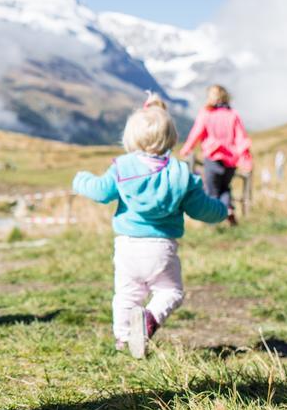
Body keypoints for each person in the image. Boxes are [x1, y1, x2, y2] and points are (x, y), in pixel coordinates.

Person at [72, 95, 227, 358]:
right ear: (171, 138)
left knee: (126, 295)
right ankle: (149, 319)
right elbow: (204, 210)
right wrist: (223, 209)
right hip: (162, 247)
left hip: (127, 246)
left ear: (130, 138)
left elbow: (100, 192)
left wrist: (80, 179)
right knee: (170, 292)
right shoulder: (181, 175)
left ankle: (123, 339)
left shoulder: (122, 168)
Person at [178, 84, 253, 225]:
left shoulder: (206, 114)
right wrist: (245, 159)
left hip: (213, 157)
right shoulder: (233, 114)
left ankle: (212, 222)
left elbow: (196, 133)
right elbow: (241, 138)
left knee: (212, 191)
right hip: (231, 160)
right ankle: (228, 210)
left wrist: (186, 149)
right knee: (225, 188)